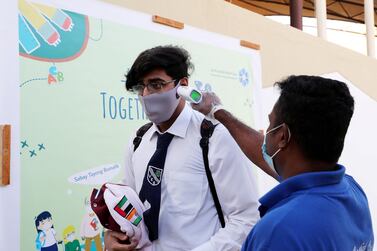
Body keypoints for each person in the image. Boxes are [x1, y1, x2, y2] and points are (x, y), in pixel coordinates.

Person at [104, 45, 259, 251]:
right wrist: (113, 235)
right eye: (140, 87)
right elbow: (131, 208)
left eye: (156, 84)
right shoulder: (138, 140)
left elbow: (246, 218)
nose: (146, 94)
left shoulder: (214, 136)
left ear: (182, 85)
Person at [192, 75, 374, 250]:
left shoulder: (279, 230)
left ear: (283, 136)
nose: (265, 132)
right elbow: (264, 151)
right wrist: (217, 111)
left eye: (270, 124)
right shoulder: (351, 191)